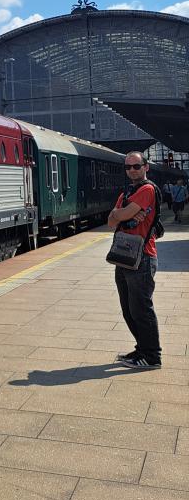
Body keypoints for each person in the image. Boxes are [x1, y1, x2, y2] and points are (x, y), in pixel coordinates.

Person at [107, 152, 161, 370]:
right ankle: (142, 348)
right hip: (123, 256)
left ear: (146, 167)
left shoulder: (147, 189)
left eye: (136, 166)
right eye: (128, 167)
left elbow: (119, 215)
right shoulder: (126, 192)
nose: (132, 170)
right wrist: (123, 213)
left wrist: (121, 213)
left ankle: (152, 356)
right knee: (128, 309)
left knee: (141, 308)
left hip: (143, 257)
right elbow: (111, 221)